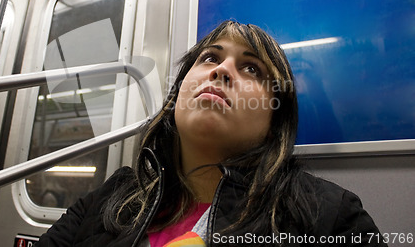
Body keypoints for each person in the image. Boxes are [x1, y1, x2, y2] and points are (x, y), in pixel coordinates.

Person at [36, 21, 386, 246]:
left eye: (252, 68)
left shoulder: (327, 216)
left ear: (274, 120)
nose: (221, 70)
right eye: (209, 58)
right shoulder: (112, 198)